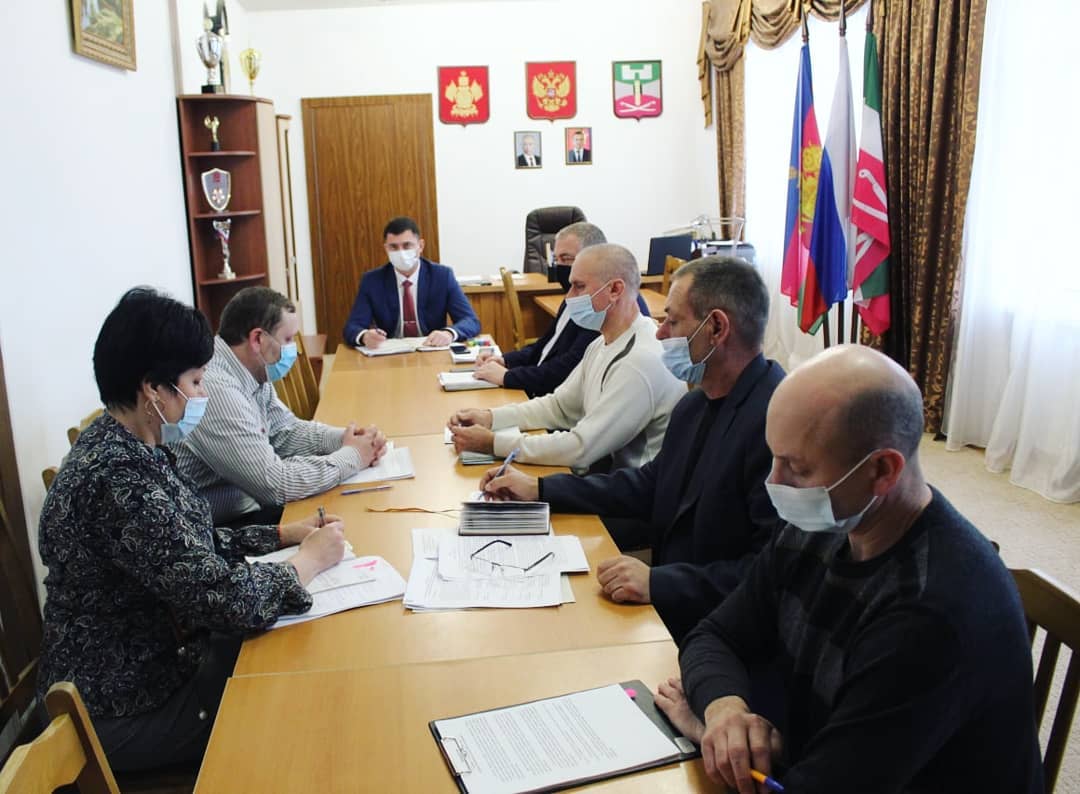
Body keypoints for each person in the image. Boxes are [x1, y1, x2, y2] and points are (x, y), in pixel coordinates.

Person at [654, 345, 1044, 794]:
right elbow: (715, 633)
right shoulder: (824, 521)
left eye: (796, 467)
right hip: (827, 753)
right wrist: (723, 711)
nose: (774, 483)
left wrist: (717, 744)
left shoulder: (930, 615)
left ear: (882, 470)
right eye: (773, 457)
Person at [37, 288, 348, 771]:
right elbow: (222, 600)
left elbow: (188, 546)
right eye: (196, 382)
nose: (203, 395)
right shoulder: (119, 481)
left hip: (162, 661)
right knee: (295, 718)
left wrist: (283, 536)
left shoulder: (133, 445)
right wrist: (306, 563)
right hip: (123, 704)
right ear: (152, 390)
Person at [481, 257, 783, 641]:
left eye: (672, 321)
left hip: (725, 630)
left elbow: (771, 571)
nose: (660, 333)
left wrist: (659, 582)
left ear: (717, 328)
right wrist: (540, 489)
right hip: (677, 607)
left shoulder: (776, 423)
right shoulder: (696, 404)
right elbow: (647, 485)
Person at [449, 243, 683, 471]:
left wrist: (493, 443)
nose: (569, 296)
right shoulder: (601, 343)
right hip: (608, 475)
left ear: (615, 290)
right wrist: (490, 418)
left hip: (631, 490)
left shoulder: (640, 360)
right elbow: (559, 406)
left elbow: (582, 448)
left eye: (579, 286)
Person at [175, 287, 386, 525]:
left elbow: (285, 432)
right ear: (258, 339)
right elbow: (276, 485)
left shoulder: (251, 370)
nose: (293, 349)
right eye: (287, 339)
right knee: (350, 521)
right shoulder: (217, 389)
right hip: (219, 527)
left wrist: (346, 439)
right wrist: (353, 456)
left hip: (249, 504)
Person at [473, 222, 651, 397]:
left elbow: (567, 369)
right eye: (556, 259)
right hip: (544, 394)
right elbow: (546, 345)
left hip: (549, 394)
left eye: (566, 259)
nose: (559, 268)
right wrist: (506, 360)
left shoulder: (606, 307)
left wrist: (508, 376)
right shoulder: (574, 296)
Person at [342, 216, 480, 348]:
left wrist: (449, 334)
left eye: (407, 245)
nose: (401, 252)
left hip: (431, 350)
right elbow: (352, 327)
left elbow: (471, 321)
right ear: (386, 249)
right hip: (390, 354)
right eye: (394, 247)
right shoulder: (372, 281)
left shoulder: (442, 276)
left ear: (420, 246)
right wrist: (364, 336)